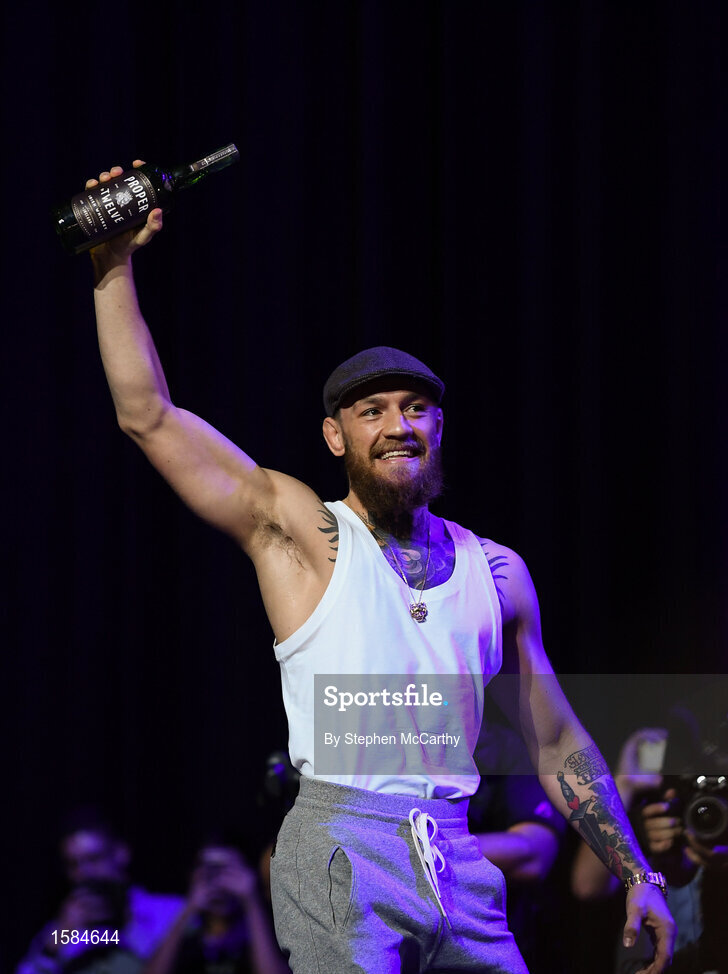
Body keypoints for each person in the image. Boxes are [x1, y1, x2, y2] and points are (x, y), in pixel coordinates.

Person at [84, 164, 675, 973]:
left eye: (416, 408)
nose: (398, 426)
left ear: (440, 425)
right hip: (342, 848)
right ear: (336, 438)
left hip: (462, 864)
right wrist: (112, 265)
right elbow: (147, 416)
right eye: (372, 412)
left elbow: (556, 740)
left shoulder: (496, 571)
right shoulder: (300, 534)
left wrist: (636, 871)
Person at [16, 812, 184, 974]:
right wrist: (56, 943)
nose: (84, 874)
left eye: (94, 859)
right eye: (74, 865)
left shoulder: (170, 913)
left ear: (121, 853)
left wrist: (128, 925)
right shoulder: (61, 931)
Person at [144, 837, 290, 974]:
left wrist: (251, 900)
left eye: (228, 868)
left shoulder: (266, 937)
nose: (219, 878)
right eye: (209, 869)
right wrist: (188, 909)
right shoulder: (185, 943)